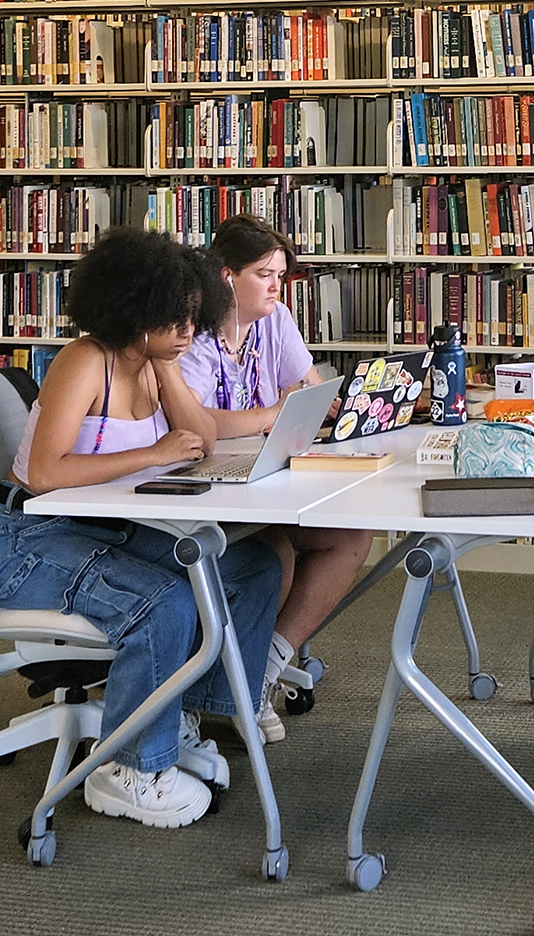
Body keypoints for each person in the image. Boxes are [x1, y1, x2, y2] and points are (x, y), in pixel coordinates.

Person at [0, 228, 282, 828]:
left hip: (99, 527)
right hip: (29, 539)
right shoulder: (85, 361)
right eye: (176, 318)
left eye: (194, 316)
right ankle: (129, 768)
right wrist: (151, 453)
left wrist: (163, 365)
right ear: (137, 309)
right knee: (163, 603)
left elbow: (207, 438)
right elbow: (43, 472)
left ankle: (183, 716)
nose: (190, 331)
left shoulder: (148, 363)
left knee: (253, 567)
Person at [178, 212, 373, 743]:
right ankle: (223, 686)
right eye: (264, 273)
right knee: (276, 549)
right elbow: (198, 423)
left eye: (279, 275)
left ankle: (259, 670)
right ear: (226, 275)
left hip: (263, 475)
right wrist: (271, 414)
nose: (275, 286)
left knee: (352, 538)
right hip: (201, 485)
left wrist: (351, 406)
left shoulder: (274, 319)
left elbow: (307, 391)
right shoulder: (189, 333)